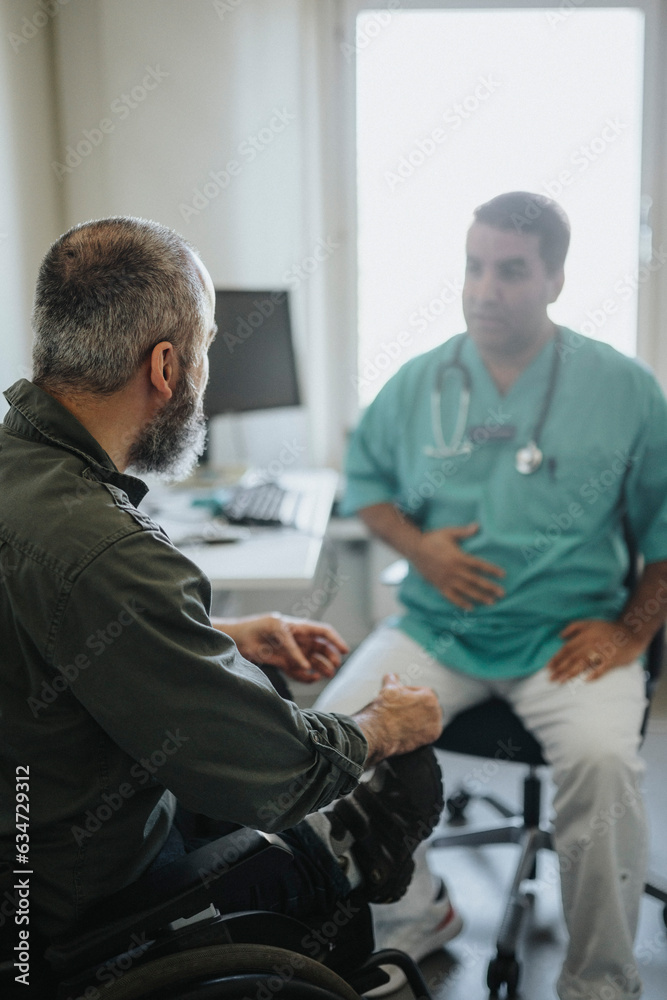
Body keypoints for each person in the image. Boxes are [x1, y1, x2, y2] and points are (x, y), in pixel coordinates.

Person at [0, 217, 445, 976]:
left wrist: (225, 633)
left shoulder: (24, 476)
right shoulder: (108, 548)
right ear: (167, 366)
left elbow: (46, 638)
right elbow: (279, 771)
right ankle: (350, 867)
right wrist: (380, 724)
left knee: (253, 690)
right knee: (320, 817)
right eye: (207, 348)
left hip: (28, 851)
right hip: (79, 905)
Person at [315, 191, 667, 1000]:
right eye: (474, 267)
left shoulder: (623, 390)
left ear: (555, 279)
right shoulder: (421, 381)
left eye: (510, 271)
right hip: (440, 631)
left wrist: (630, 635)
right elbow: (367, 487)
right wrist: (420, 549)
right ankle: (413, 915)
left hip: (566, 640)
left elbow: (663, 538)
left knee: (604, 762)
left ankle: (599, 984)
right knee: (329, 741)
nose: (483, 289)